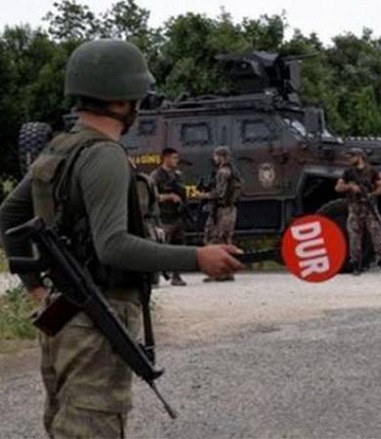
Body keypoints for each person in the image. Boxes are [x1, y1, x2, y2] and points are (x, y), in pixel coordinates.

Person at [0, 39, 244, 438]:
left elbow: (9, 214)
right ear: (121, 99)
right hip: (97, 319)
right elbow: (112, 245)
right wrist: (197, 257)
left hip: (62, 315)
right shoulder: (105, 155)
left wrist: (37, 291)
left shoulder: (59, 148)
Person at [335, 147, 381, 276]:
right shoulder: (348, 173)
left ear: (360, 157)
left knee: (379, 235)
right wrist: (350, 187)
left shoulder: (372, 171)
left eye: (351, 157)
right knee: (354, 237)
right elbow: (338, 187)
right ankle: (356, 265)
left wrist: (372, 194)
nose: (349, 159)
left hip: (369, 208)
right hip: (355, 207)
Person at [198, 145, 241, 282]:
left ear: (221, 157)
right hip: (230, 209)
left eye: (216, 156)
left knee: (214, 239)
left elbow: (219, 193)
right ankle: (227, 272)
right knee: (226, 240)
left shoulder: (222, 172)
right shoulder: (233, 171)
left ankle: (217, 273)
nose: (214, 158)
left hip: (221, 210)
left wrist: (204, 195)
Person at [150, 148, 188, 286]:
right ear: (166, 158)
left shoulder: (178, 176)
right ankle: (154, 277)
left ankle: (176, 276)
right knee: (161, 247)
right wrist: (169, 197)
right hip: (164, 217)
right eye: (174, 157)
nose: (176, 160)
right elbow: (152, 196)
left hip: (177, 216)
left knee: (179, 247)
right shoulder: (156, 175)